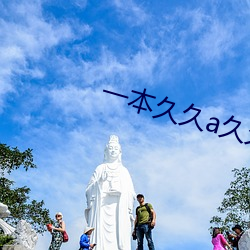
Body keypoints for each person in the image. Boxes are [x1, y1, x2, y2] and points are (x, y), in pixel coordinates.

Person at [85, 135, 136, 250]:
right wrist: (100, 181)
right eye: (111, 148)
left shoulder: (124, 171)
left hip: (119, 209)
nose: (113, 151)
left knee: (119, 237)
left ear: (120, 152)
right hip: (101, 208)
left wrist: (122, 192)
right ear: (106, 151)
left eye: (115, 149)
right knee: (100, 237)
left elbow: (131, 193)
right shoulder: (100, 169)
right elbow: (88, 190)